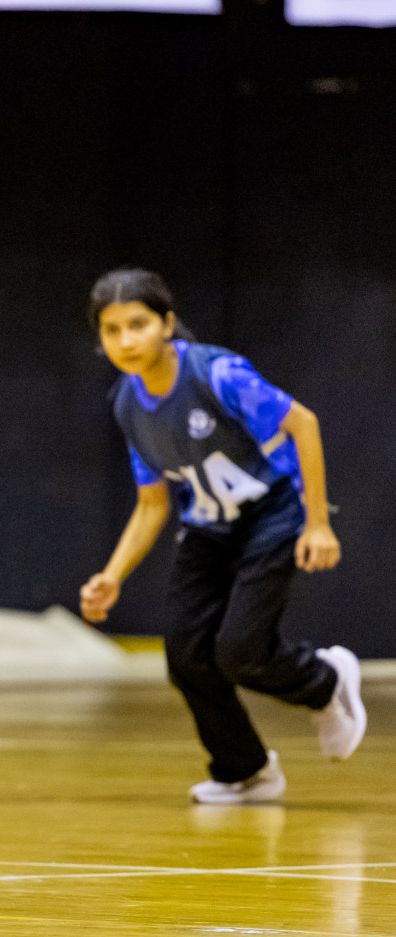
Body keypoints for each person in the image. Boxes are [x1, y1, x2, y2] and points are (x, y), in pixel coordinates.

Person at [80, 268, 365, 804]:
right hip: (209, 527)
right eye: (111, 330)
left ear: (166, 324)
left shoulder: (217, 375)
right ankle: (246, 770)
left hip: (272, 513)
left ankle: (326, 680)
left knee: (238, 649)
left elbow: (303, 423)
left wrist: (317, 520)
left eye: (137, 324)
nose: (125, 340)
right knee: (186, 657)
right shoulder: (127, 405)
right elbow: (151, 503)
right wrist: (111, 576)